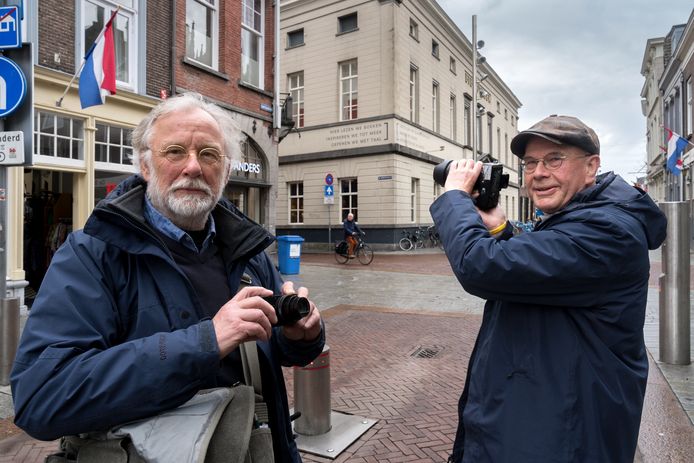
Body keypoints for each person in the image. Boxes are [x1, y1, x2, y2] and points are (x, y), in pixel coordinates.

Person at [11, 92, 325, 462]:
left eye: (208, 154)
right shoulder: (92, 254)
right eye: (174, 151)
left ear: (224, 172)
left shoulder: (248, 252)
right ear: (145, 166)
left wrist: (301, 337)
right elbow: (41, 398)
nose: (192, 167)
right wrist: (206, 341)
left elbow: (270, 351)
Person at [430, 115, 667, 462]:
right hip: (544, 419)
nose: (538, 173)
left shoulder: (608, 232)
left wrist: (454, 196)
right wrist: (501, 230)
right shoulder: (581, 217)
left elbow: (479, 265)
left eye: (554, 159)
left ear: (591, 167)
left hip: (564, 438)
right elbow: (545, 270)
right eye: (529, 163)